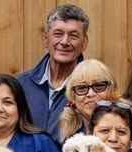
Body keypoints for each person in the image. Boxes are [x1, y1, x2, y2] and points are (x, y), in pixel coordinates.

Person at [18, 4, 88, 139]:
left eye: (73, 36)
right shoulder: (20, 85)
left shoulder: (92, 90)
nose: (64, 42)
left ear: (84, 43)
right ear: (45, 38)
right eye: (58, 34)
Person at [58, 59, 132, 152]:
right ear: (72, 98)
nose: (91, 94)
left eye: (99, 86)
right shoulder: (70, 136)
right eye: (81, 88)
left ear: (112, 91)